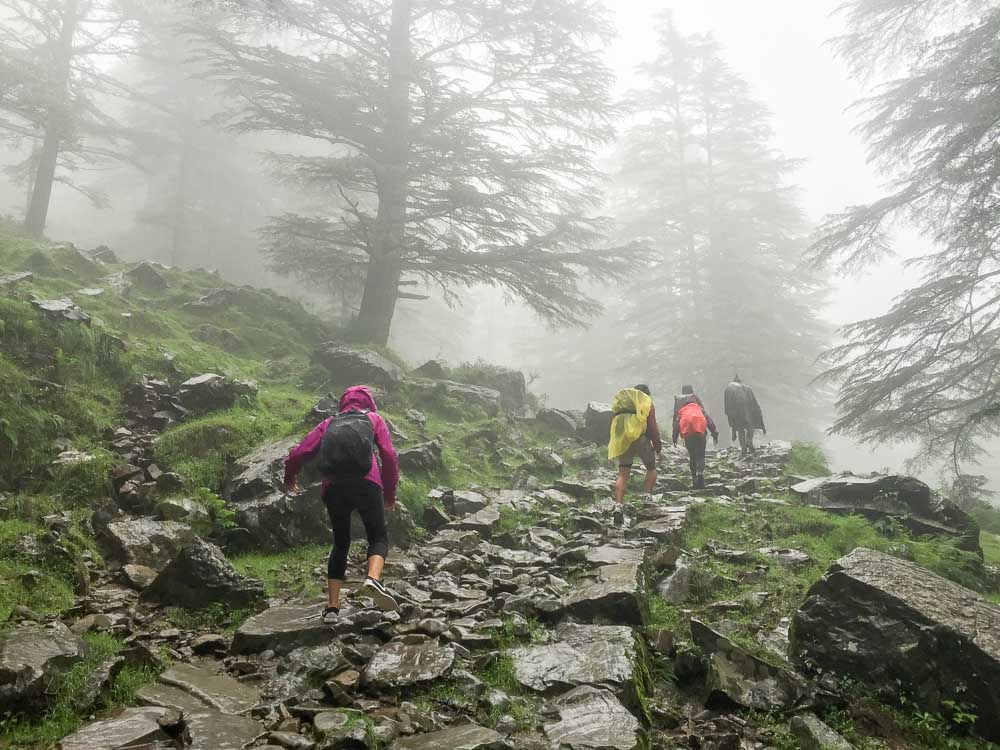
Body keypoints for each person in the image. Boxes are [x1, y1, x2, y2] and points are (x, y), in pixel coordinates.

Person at [283, 385, 399, 624]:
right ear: (369, 402)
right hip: (368, 483)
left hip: (334, 487)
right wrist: (389, 492)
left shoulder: (329, 422)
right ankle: (373, 578)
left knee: (340, 543)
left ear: (343, 403)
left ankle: (333, 608)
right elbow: (388, 455)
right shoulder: (374, 419)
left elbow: (301, 451)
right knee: (377, 537)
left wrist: (290, 475)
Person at [608, 384, 662, 527]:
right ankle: (647, 498)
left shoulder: (623, 404)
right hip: (641, 438)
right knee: (651, 468)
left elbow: (614, 424)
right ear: (646, 394)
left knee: (623, 473)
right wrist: (658, 448)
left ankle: (618, 505)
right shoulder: (647, 403)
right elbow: (653, 427)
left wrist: (614, 446)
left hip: (623, 439)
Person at [672, 385, 718, 489]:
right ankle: (700, 474)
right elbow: (709, 421)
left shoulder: (682, 410)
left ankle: (694, 479)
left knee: (692, 456)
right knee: (701, 456)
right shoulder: (699, 409)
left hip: (688, 435)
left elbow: (676, 424)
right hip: (700, 434)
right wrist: (715, 434)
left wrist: (674, 437)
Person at [724, 375, 766, 456]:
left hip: (736, 409)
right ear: (740, 381)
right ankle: (749, 441)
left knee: (740, 429)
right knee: (751, 426)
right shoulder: (747, 388)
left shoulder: (729, 388)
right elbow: (754, 402)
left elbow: (728, 404)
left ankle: (743, 448)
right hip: (748, 408)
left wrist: (732, 423)